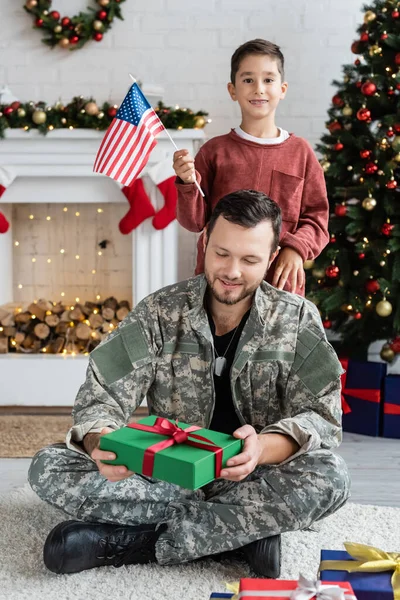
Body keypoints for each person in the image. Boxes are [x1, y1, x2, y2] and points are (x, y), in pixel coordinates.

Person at [28, 190, 349, 577]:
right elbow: (102, 397)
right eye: (221, 254)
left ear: (272, 256)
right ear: (205, 243)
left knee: (330, 476)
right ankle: (242, 533)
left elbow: (322, 418)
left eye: (249, 259)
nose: (231, 271)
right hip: (164, 475)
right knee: (48, 466)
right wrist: (101, 443)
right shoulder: (158, 312)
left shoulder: (297, 319)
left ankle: (136, 542)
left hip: (253, 476)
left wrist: (260, 448)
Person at [173, 39, 329, 296]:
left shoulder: (301, 153)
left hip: (279, 287)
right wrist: (187, 183)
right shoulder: (214, 151)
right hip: (220, 287)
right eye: (248, 80)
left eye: (268, 80)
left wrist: (296, 248)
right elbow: (193, 222)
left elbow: (317, 219)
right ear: (232, 90)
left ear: (283, 89)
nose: (259, 89)